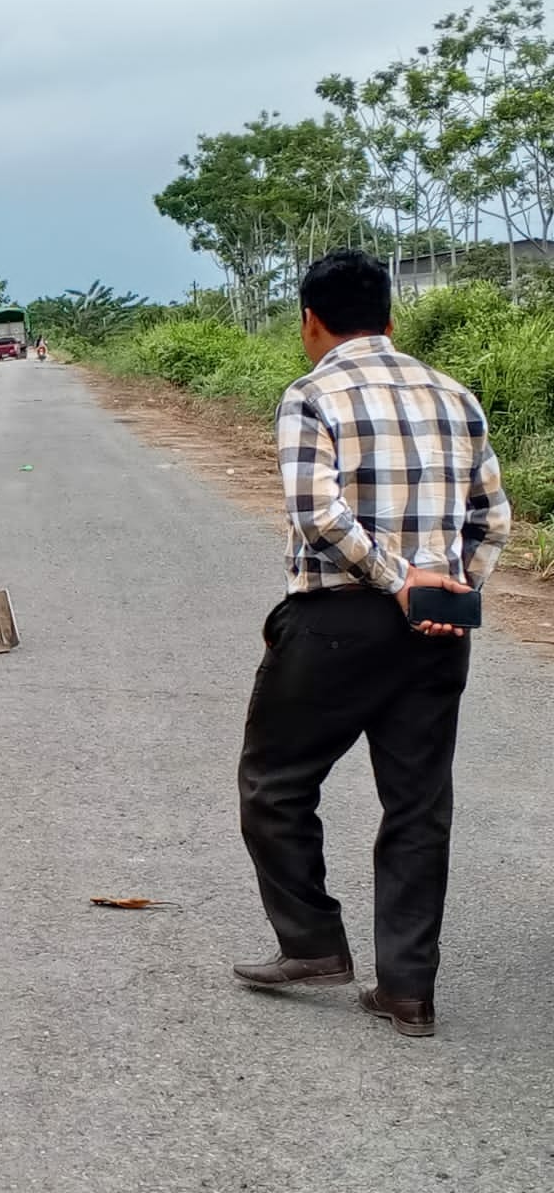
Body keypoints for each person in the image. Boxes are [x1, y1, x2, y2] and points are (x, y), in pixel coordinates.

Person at [231, 249, 513, 1038]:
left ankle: (312, 942)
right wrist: (450, 591)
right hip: (436, 630)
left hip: (338, 621)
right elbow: (493, 517)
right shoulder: (455, 395)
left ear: (310, 322)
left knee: (275, 783)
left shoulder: (312, 395)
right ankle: (408, 993)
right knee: (418, 803)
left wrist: (397, 582)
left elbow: (319, 514)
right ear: (390, 319)